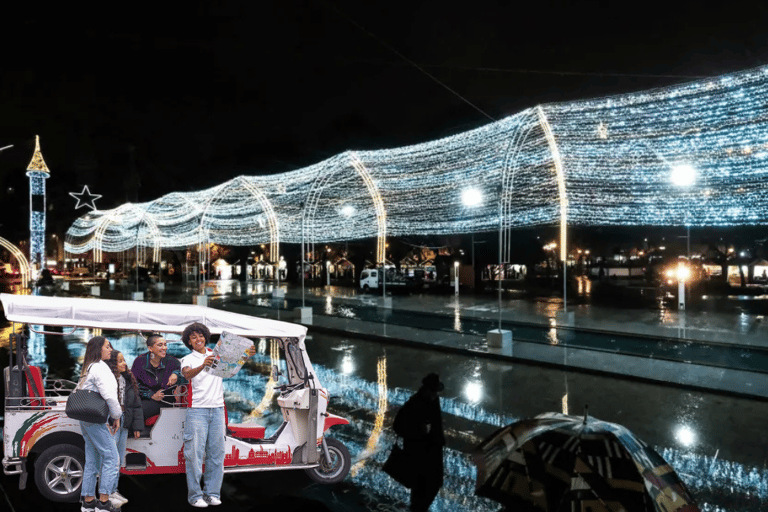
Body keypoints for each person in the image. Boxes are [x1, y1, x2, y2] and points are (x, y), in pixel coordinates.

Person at [179, 322, 257, 508]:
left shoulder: (218, 355)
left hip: (218, 409)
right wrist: (203, 365)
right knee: (194, 455)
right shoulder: (187, 359)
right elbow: (187, 375)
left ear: (206, 337)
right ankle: (195, 496)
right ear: (189, 342)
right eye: (194, 337)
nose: (198, 339)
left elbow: (233, 366)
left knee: (217, 454)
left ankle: (212, 493)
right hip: (197, 410)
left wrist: (246, 354)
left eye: (201, 335)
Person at [78, 336, 122, 512]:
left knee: (92, 461)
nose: (110, 350)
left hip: (86, 419)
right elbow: (109, 395)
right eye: (107, 347)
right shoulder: (99, 368)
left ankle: (89, 502)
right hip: (96, 419)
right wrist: (116, 415)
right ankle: (103, 503)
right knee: (112, 458)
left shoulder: (88, 367)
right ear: (98, 349)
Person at [393, 373, 445, 512]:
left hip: (425, 452)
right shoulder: (418, 404)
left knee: (423, 487)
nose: (436, 394)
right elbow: (400, 426)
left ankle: (418, 507)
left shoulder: (428, 401)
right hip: (422, 453)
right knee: (424, 487)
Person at [106, 350, 144, 508]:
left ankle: (113, 491)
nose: (124, 363)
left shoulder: (128, 379)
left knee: (119, 459)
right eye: (120, 361)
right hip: (111, 421)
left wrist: (136, 425)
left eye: (124, 360)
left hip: (124, 421)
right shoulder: (107, 379)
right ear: (112, 364)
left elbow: (136, 404)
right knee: (111, 459)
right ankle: (107, 493)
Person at [131, 333, 184, 419]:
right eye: (160, 345)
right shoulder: (140, 361)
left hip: (166, 401)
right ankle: (134, 432)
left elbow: (186, 376)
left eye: (165, 345)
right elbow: (133, 384)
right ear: (150, 348)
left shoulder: (173, 362)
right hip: (145, 399)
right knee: (133, 410)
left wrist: (176, 374)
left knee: (138, 411)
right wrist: (150, 395)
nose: (164, 348)